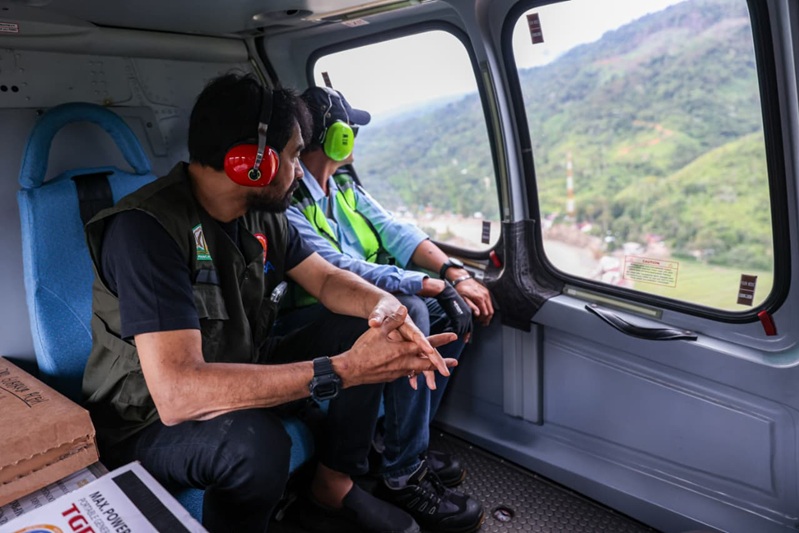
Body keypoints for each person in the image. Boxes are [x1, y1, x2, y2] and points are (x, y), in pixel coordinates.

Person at [81, 73, 457, 533]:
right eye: (295, 154)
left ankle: (332, 485)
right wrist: (343, 369)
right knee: (259, 445)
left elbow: (327, 280)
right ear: (249, 162)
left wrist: (384, 308)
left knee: (370, 326)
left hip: (241, 364)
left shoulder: (258, 214)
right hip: (147, 420)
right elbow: (178, 394)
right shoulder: (146, 231)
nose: (300, 170)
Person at [282, 85, 494, 533]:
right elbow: (337, 268)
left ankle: (400, 446)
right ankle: (402, 473)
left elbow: (396, 230)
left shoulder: (342, 188)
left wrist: (454, 274)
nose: (355, 137)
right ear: (335, 136)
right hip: (310, 319)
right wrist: (420, 282)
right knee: (412, 309)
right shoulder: (289, 203)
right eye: (350, 129)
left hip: (366, 305)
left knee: (450, 317)